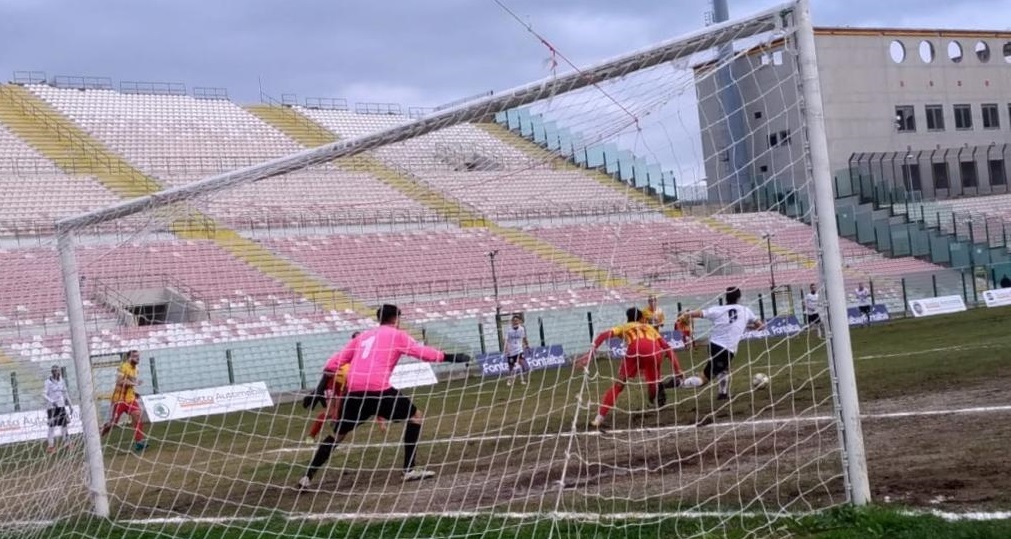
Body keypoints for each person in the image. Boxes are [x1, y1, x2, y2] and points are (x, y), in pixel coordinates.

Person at [296, 304, 471, 490]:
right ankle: (409, 469)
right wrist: (449, 357)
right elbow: (421, 352)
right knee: (415, 417)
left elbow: (332, 364)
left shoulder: (362, 336)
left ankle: (307, 477)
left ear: (379, 319)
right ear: (396, 319)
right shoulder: (397, 334)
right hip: (378, 389)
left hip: (354, 390)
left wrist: (318, 389)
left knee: (337, 435)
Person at [575, 307, 683, 429]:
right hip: (654, 351)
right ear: (642, 318)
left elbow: (603, 335)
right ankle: (656, 392)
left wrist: (590, 353)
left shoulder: (625, 326)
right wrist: (678, 369)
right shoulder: (650, 328)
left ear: (628, 318)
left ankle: (599, 418)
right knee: (653, 386)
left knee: (619, 385)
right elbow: (667, 348)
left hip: (635, 350)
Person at [666, 287, 764, 401]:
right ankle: (679, 383)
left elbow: (700, 313)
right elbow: (761, 326)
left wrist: (686, 314)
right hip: (725, 350)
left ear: (726, 297)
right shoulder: (746, 310)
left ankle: (723, 394)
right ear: (739, 298)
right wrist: (747, 327)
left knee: (724, 369)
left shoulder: (718, 309)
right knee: (704, 379)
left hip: (713, 345)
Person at [304, 332, 378, 444]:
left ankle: (335, 425)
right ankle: (311, 436)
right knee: (330, 411)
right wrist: (318, 391)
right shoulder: (347, 353)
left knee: (341, 411)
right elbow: (328, 371)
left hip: (346, 385)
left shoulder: (363, 356)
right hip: (333, 384)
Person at [99, 349, 147, 453]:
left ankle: (139, 442)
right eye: (134, 356)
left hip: (130, 398)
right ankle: (99, 435)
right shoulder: (123, 366)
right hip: (119, 399)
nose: (137, 358)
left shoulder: (136, 369)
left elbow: (130, 383)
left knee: (138, 416)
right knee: (113, 423)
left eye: (138, 356)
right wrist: (135, 384)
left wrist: (134, 391)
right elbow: (119, 381)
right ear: (128, 357)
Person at [43, 365, 72, 454]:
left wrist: (70, 405)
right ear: (52, 372)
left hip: (61, 406)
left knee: (64, 425)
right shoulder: (48, 382)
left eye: (58, 371)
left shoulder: (62, 381)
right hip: (52, 408)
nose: (57, 373)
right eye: (55, 371)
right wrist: (52, 402)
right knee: (51, 427)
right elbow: (43, 394)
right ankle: (51, 446)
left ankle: (66, 443)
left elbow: (65, 393)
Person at [504, 314, 530, 386]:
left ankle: (523, 379)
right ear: (512, 322)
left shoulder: (521, 329)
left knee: (523, 364)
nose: (515, 322)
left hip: (519, 349)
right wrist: (506, 349)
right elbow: (505, 340)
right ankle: (509, 380)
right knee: (511, 367)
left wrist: (527, 346)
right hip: (511, 351)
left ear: (519, 321)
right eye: (514, 321)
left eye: (517, 321)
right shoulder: (508, 330)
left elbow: (524, 338)